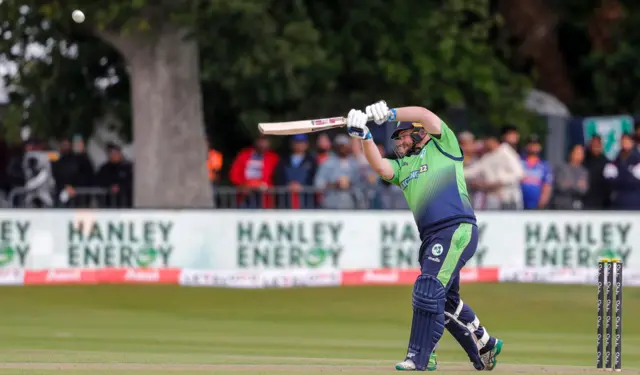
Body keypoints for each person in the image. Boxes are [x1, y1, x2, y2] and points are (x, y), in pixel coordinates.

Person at [346, 101, 502, 371]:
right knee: (445, 302)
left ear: (421, 133)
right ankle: (485, 342)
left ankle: (420, 357)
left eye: (403, 134)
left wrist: (390, 114)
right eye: (397, 136)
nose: (400, 140)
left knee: (428, 289)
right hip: (432, 237)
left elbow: (424, 114)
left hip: (455, 228)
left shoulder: (444, 145)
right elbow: (381, 167)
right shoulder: (404, 166)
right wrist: (365, 137)